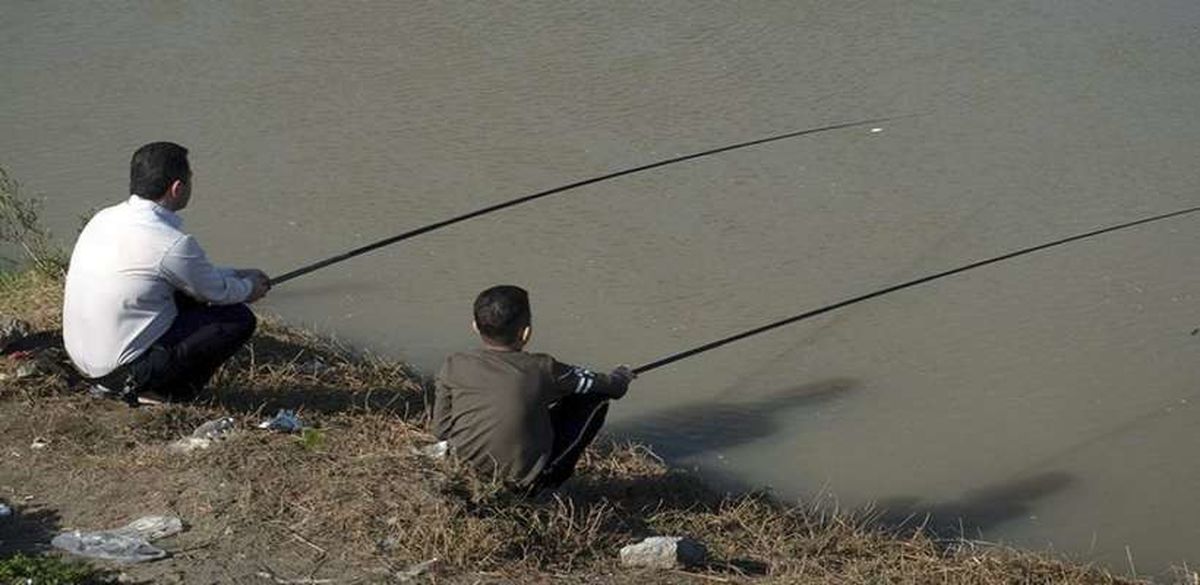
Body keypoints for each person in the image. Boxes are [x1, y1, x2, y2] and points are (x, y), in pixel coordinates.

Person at [62, 141, 270, 406]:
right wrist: (251, 287)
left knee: (185, 294)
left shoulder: (104, 217)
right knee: (237, 319)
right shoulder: (172, 243)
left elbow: (190, 274)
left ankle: (142, 380)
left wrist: (237, 273)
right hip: (119, 374)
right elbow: (218, 292)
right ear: (177, 188)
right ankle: (164, 393)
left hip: (83, 361)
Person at [432, 285, 635, 494]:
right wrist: (622, 375)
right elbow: (610, 387)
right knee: (594, 398)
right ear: (526, 332)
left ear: (475, 326)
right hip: (522, 484)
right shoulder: (543, 368)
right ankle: (549, 482)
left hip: (461, 469)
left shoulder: (454, 364)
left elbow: (440, 430)